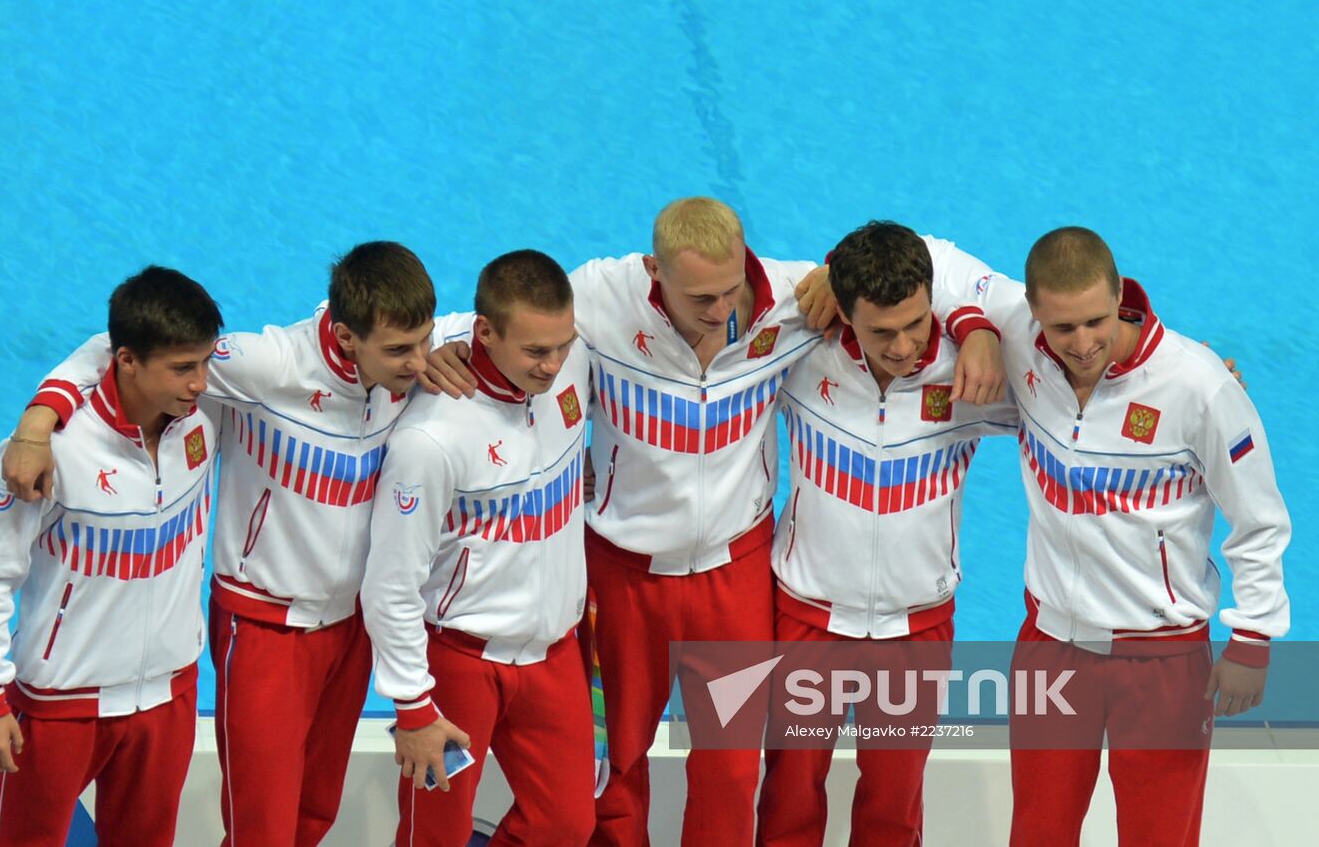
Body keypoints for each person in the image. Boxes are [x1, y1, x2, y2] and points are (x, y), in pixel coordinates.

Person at [422, 198, 1004, 845]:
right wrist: (442, 349)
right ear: (653, 271)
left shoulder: (789, 300)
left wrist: (974, 325)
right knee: (615, 767)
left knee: (730, 771)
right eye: (699, 296)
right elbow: (496, 317)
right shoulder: (599, 296)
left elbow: (915, 269)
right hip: (620, 579)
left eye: (730, 290)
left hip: (736, 579)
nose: (720, 310)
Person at [0, 242, 437, 847]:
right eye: (399, 351)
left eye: (425, 343)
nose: (418, 363)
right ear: (343, 336)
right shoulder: (266, 365)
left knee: (314, 814)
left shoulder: (411, 354)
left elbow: (511, 335)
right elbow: (118, 348)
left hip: (352, 627)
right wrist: (37, 420)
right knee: (264, 827)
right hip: (265, 626)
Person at [970, 227, 1290, 846]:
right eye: (1063, 329)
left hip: (1163, 658)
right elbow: (943, 264)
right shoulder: (1022, 342)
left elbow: (1259, 519)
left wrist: (1253, 637)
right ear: (1032, 313)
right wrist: (973, 328)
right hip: (1050, 645)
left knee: (1160, 835)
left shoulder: (1200, 386)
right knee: (1037, 830)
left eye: (1097, 320)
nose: (1084, 344)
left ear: (1122, 295)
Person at [757, 222, 1018, 846]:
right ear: (844, 314)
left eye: (917, 323)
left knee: (895, 803)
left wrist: (1188, 378)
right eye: (881, 332)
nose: (903, 347)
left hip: (917, 624)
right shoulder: (798, 353)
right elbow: (709, 288)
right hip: (807, 615)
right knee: (789, 793)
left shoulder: (972, 374)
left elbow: (1083, 383)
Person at [0, 266, 222, 846]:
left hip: (168, 693)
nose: (202, 382)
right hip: (59, 703)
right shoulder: (49, 453)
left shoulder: (202, 418)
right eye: (183, 368)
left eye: (204, 363)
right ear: (126, 361)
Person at [364, 250, 596, 846]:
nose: (553, 366)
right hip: (459, 666)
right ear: (484, 333)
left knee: (566, 826)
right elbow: (390, 585)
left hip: (553, 656)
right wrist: (413, 706)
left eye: (562, 345)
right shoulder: (431, 439)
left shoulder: (575, 365)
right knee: (434, 835)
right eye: (536, 352)